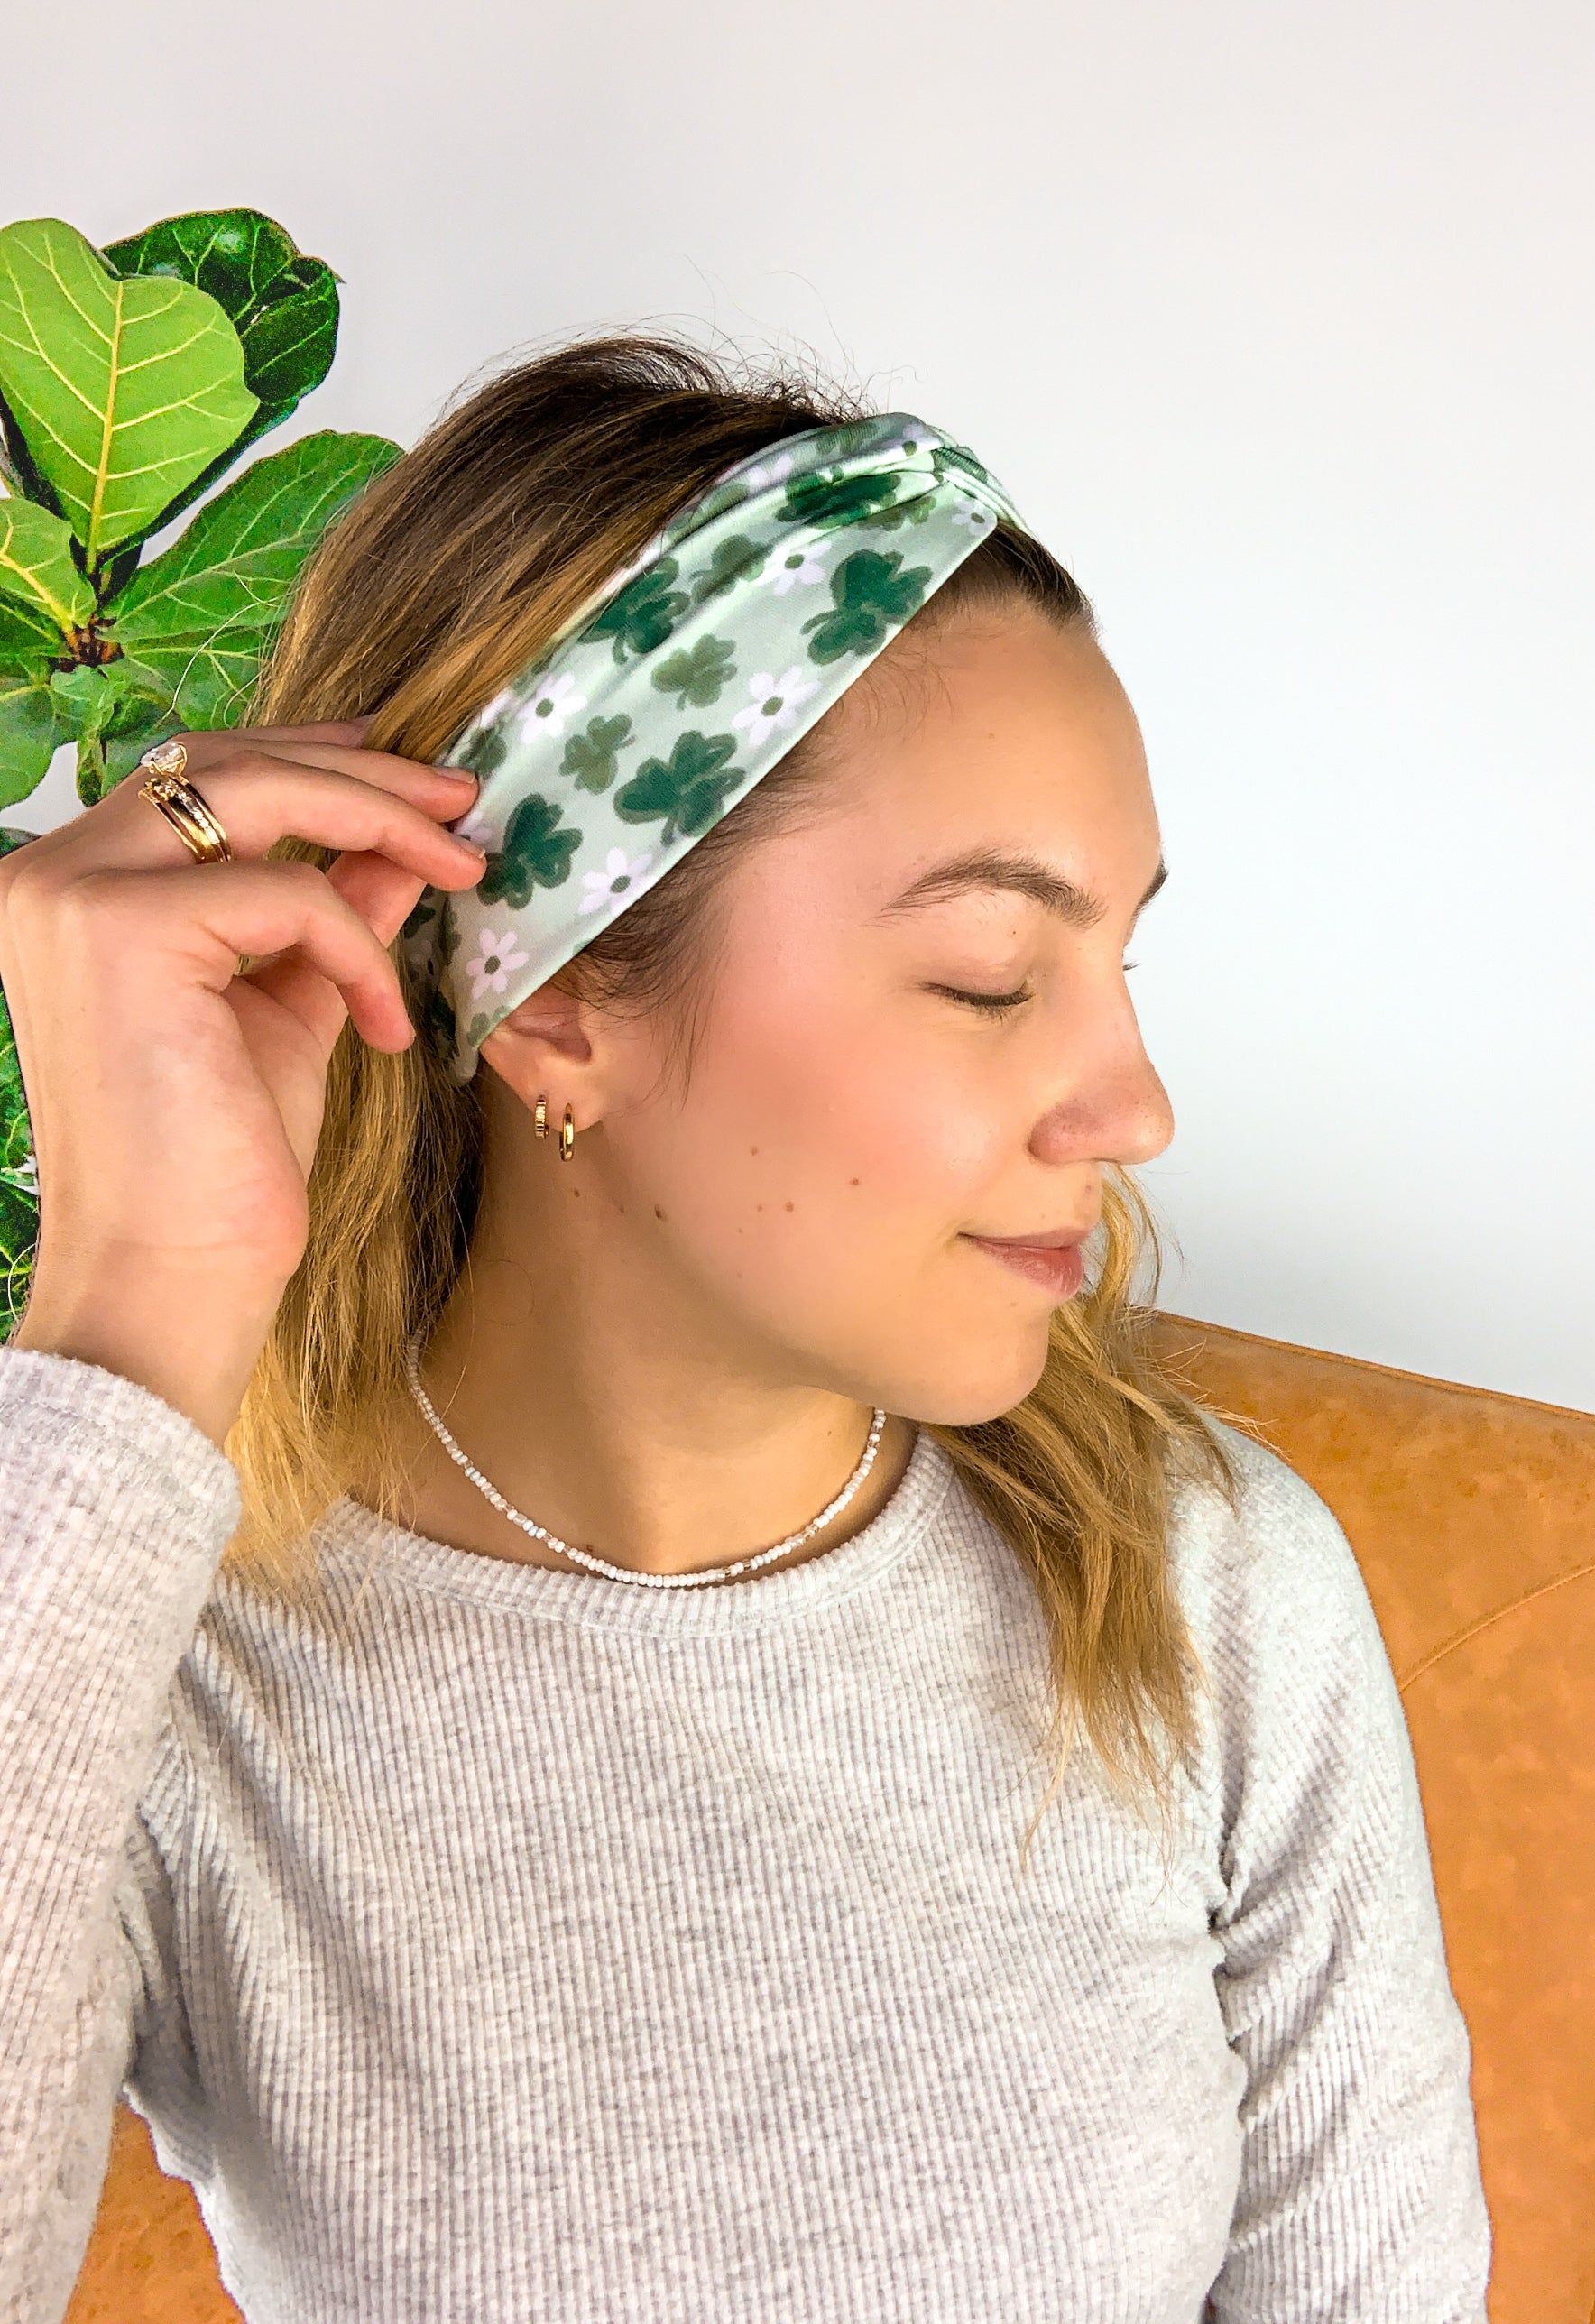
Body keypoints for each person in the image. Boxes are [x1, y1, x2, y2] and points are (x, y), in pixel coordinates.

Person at [0, 336, 1491, 2323]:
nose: (1131, 1108)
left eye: (1117, 956)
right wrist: (130, 1312)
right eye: (985, 976)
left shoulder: (1206, 1588)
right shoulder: (175, 1675)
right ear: (548, 1002)